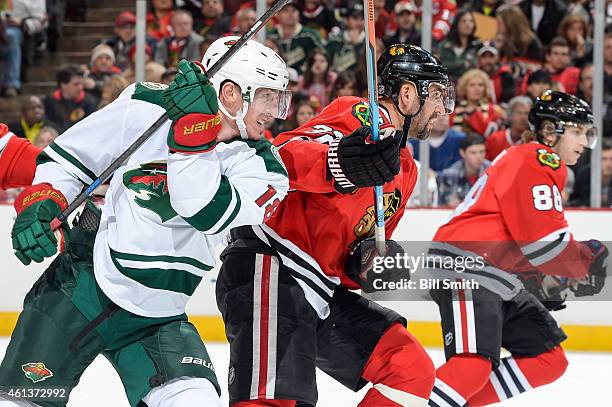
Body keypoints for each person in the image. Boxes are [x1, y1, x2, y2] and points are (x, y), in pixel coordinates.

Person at [0, 37, 291, 406]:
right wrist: (43, 201)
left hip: (159, 314)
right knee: (20, 401)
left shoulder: (264, 167)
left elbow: (204, 211)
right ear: (232, 92)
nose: (276, 111)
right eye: (269, 97)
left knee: (193, 400)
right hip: (81, 285)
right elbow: (68, 160)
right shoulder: (147, 107)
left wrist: (192, 137)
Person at [216, 44, 455, 407]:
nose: (442, 108)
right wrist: (338, 162)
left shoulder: (407, 172)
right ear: (407, 94)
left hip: (320, 289)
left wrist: (369, 264)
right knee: (273, 400)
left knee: (408, 368)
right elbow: (283, 156)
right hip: (273, 263)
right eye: (436, 94)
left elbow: (354, 254)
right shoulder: (359, 115)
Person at [425, 91, 607, 407]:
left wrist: (537, 276)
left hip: (494, 272)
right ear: (551, 131)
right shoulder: (538, 159)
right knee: (472, 366)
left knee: (548, 358)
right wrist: (586, 260)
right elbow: (546, 247)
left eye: (586, 133)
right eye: (577, 131)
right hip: (468, 263)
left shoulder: (527, 159)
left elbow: (526, 240)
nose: (583, 140)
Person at [268, 2, 323, 74]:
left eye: (294, 10)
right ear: (277, 14)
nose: (290, 14)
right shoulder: (270, 36)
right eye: (285, 11)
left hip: (305, 80)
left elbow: (322, 58)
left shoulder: (310, 35)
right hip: (275, 80)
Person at [437, 133, 490, 207]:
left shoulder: (492, 171)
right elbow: (445, 204)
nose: (478, 157)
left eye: (482, 152)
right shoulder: (449, 175)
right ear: (462, 153)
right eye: (473, 153)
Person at [450, 69, 505, 138]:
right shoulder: (455, 112)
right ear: (464, 88)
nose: (477, 88)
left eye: (480, 85)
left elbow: (496, 137)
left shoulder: (494, 110)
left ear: (485, 88)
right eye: (472, 85)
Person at [43, 64, 97, 132]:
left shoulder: (88, 101)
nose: (80, 87)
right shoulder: (50, 101)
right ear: (63, 85)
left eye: (82, 83)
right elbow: (47, 123)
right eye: (76, 84)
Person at [436, 8, 482, 82]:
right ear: (456, 24)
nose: (468, 24)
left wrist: (453, 66)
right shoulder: (445, 45)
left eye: (471, 21)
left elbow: (477, 68)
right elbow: (441, 67)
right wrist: (464, 64)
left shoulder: (478, 45)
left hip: (471, 83)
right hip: (448, 84)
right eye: (464, 21)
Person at [485, 96, 531, 160]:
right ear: (510, 115)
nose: (523, 117)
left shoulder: (534, 142)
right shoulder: (495, 139)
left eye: (526, 113)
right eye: (519, 113)